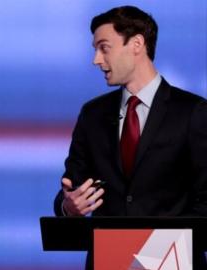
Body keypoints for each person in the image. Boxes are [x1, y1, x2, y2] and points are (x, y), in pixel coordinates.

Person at [53, 5, 207, 268]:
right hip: (107, 261)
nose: (96, 60)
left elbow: (205, 200)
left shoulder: (194, 112)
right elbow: (72, 188)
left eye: (104, 47)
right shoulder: (93, 114)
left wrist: (148, 255)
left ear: (136, 44)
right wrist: (69, 208)